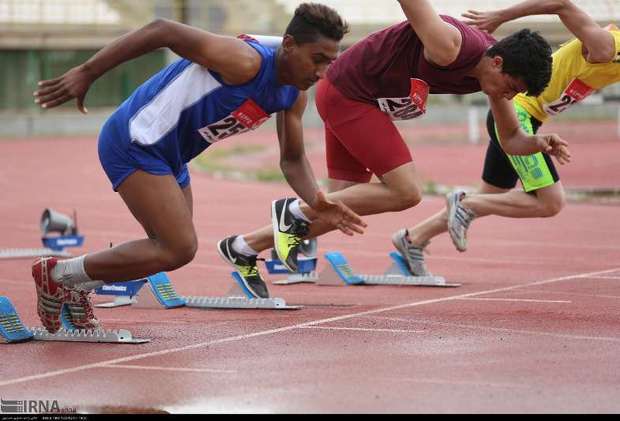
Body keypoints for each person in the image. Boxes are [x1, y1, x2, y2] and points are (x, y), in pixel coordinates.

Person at [31, 3, 365, 333]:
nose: (322, 72)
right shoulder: (244, 61)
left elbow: (292, 160)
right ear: (289, 45)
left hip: (171, 156)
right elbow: (162, 29)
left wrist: (317, 202)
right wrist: (87, 72)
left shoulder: (292, 94)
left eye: (329, 62)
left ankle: (74, 282)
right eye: (317, 59)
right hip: (136, 140)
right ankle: (59, 276)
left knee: (170, 252)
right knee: (178, 246)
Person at [216, 0, 571, 290]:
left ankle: (243, 247)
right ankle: (292, 211)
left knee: (341, 209)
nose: (510, 96)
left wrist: (539, 142)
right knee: (406, 191)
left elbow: (510, 139)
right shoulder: (449, 45)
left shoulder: (492, 80)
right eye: (511, 87)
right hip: (349, 93)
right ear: (497, 61)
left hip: (360, 100)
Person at [389, 0, 620, 276]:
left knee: (492, 196)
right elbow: (562, 5)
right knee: (550, 202)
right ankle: (464, 202)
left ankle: (412, 238)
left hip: (522, 116)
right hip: (516, 114)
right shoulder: (608, 46)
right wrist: (501, 15)